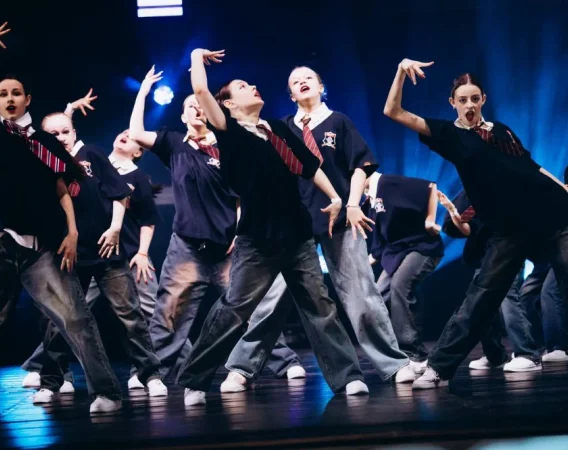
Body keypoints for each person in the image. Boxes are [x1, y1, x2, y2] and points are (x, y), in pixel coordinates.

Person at [178, 48, 368, 406]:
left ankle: (348, 378)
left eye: (251, 84)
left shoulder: (278, 128)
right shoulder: (228, 129)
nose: (252, 87)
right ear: (229, 104)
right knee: (235, 309)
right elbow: (201, 91)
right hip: (257, 239)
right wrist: (196, 57)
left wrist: (335, 197)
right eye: (242, 87)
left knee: (320, 305)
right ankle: (195, 379)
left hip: (296, 233)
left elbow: (308, 165)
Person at [384, 58, 568, 389]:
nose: (469, 105)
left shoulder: (502, 130)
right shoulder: (449, 134)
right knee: (481, 297)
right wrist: (401, 71)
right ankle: (439, 368)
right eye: (462, 100)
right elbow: (394, 112)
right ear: (452, 102)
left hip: (551, 213)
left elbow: (533, 167)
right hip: (508, 229)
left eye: (474, 99)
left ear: (483, 100)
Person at [221, 66, 412, 388]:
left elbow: (362, 166)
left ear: (321, 86)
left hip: (340, 219)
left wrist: (352, 204)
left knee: (360, 294)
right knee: (271, 300)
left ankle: (393, 364)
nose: (302, 82)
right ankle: (242, 367)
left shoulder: (338, 121)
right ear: (290, 95)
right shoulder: (278, 127)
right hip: (294, 226)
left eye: (308, 78)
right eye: (295, 81)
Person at [129, 67, 305, 383]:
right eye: (190, 107)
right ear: (182, 116)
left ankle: (283, 361)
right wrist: (143, 91)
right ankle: (151, 374)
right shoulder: (174, 143)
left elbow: (243, 193)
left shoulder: (227, 143)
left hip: (229, 243)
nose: (196, 110)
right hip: (187, 245)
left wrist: (239, 231)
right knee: (170, 311)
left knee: (248, 307)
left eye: (200, 106)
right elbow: (137, 133)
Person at [0, 24, 122, 413]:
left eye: (16, 93)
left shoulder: (44, 143)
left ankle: (107, 393)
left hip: (42, 247)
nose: (10, 99)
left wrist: (72, 232)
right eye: (2, 94)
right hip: (2, 243)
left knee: (75, 318)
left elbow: (62, 189)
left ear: (27, 99)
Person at [26, 112, 167, 400]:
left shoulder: (91, 154)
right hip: (66, 256)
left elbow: (119, 193)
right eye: (53, 135)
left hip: (106, 252)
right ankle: (52, 381)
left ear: (74, 132)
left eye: (65, 131)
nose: (61, 138)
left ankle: (150, 374)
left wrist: (115, 229)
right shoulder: (43, 165)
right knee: (57, 321)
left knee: (130, 316)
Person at [438, 190, 542, 371]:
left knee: (509, 297)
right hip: (484, 255)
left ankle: (527, 353)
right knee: (481, 303)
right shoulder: (470, 192)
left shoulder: (505, 185)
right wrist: (453, 211)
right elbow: (467, 229)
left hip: (509, 249)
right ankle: (495, 356)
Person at [366, 172, 444, 371]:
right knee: (377, 296)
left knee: (400, 285)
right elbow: (379, 244)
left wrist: (430, 219)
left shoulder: (388, 183)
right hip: (397, 252)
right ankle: (393, 351)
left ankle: (415, 354)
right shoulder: (369, 201)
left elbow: (430, 186)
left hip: (421, 247)